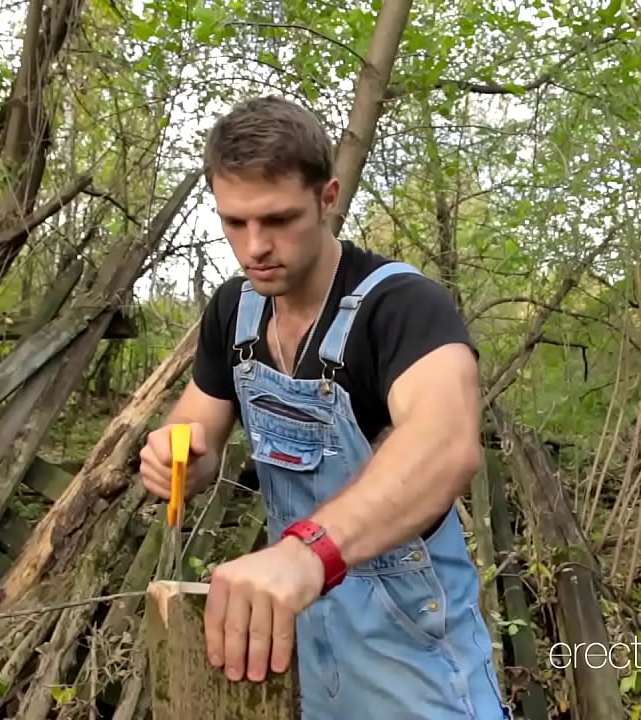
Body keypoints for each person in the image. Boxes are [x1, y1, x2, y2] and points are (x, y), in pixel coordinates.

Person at [138, 95, 510, 719]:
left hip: (412, 650)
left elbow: (445, 443)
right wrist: (178, 458)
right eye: (235, 223)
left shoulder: (404, 307)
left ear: (328, 197)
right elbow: (192, 428)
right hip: (302, 642)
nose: (255, 246)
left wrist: (307, 552)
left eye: (278, 219)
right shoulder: (235, 312)